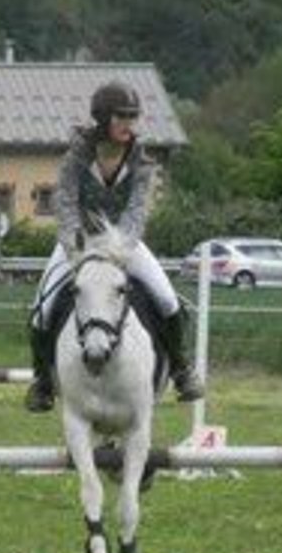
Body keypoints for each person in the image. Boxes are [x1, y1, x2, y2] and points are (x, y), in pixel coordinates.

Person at [25, 80, 205, 412]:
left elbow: (137, 210)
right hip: (78, 244)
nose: (128, 124)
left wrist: (119, 246)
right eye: (121, 117)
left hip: (124, 243)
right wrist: (74, 242)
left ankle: (181, 368)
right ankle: (42, 382)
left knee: (167, 300)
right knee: (40, 310)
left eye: (132, 117)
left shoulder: (141, 160)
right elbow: (64, 203)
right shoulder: (76, 157)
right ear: (103, 118)